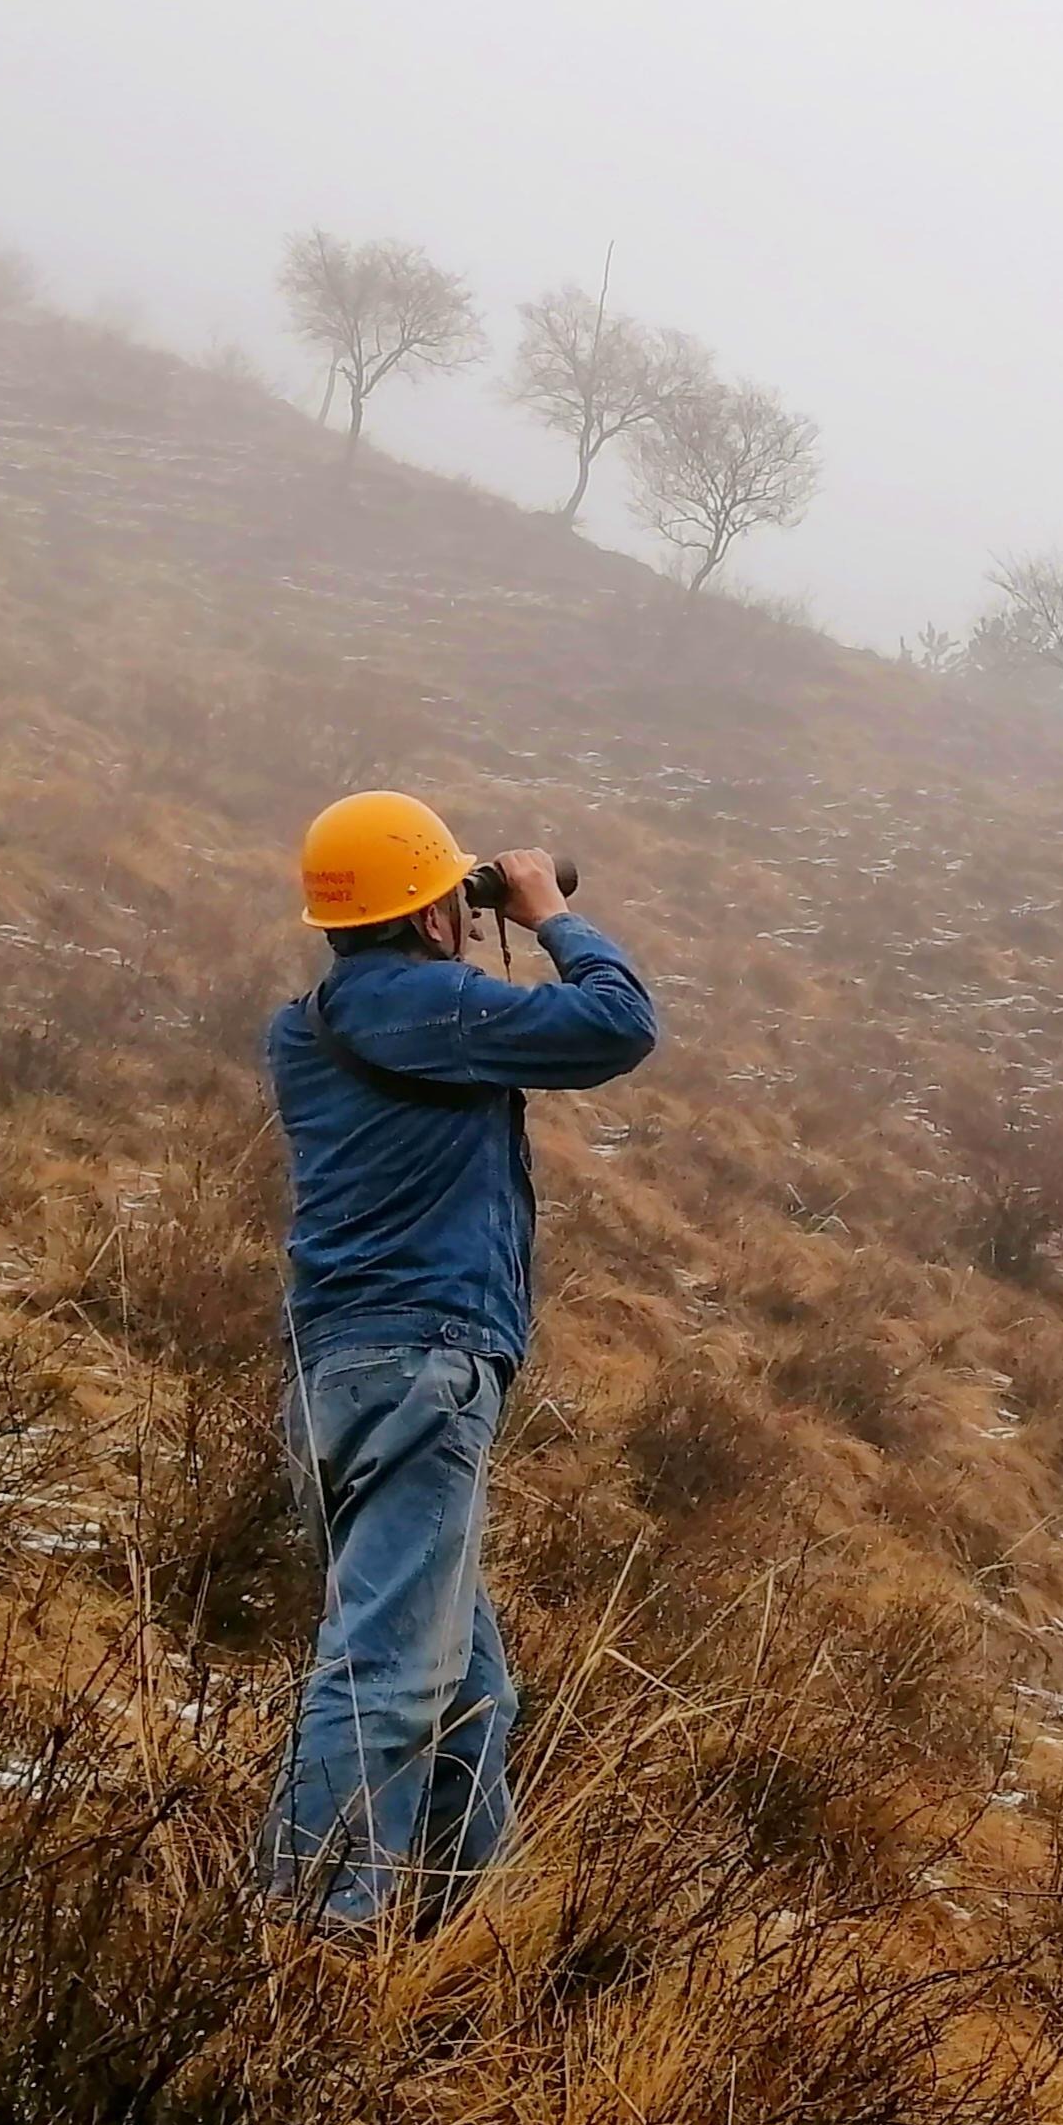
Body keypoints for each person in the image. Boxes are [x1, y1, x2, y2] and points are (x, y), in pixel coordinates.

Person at [260, 788, 656, 1929]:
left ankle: (464, 1935)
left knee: (472, 1689)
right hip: (421, 1365)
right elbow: (616, 1025)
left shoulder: (317, 1023)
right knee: (386, 1672)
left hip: (337, 1374)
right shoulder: (428, 1006)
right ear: (432, 917)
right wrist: (543, 912)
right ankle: (317, 1943)